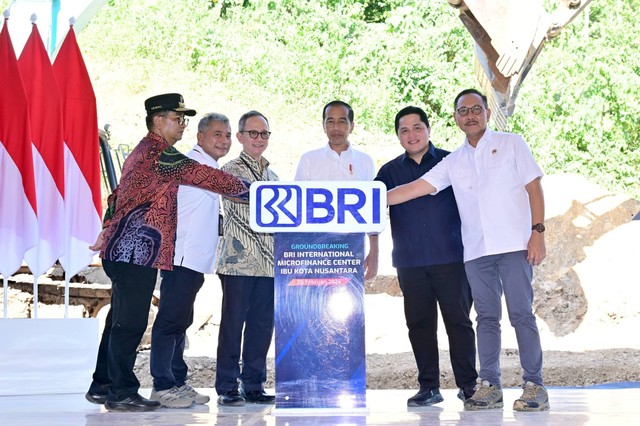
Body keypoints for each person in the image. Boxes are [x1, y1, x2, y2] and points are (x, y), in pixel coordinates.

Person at [84, 94, 249, 412]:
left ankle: (103, 384)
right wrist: (258, 192)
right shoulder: (162, 155)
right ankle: (121, 392)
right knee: (129, 325)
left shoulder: (143, 151)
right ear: (158, 120)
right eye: (178, 118)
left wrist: (108, 227)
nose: (183, 124)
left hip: (127, 250)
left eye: (184, 119)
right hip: (134, 252)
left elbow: (116, 195)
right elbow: (210, 177)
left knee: (119, 322)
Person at [386, 89, 548, 412]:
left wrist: (538, 233)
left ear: (487, 112)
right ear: (456, 118)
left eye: (476, 109)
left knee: (521, 315)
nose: (470, 115)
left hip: (515, 245)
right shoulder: (453, 162)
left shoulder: (512, 143)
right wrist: (362, 199)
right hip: (475, 253)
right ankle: (490, 386)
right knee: (486, 319)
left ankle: (535, 384)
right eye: (463, 111)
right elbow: (415, 188)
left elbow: (534, 187)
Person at [375, 106, 478, 407]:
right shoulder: (388, 172)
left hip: (451, 258)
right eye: (404, 130)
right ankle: (428, 387)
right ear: (398, 136)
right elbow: (367, 207)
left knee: (458, 323)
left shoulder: (453, 161)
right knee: (419, 325)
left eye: (417, 127)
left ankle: (469, 385)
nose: (412, 134)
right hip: (410, 262)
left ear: (429, 130)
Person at [148, 113, 232, 408]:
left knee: (182, 320)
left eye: (227, 135)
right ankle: (162, 384)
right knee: (170, 320)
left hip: (196, 261)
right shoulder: (192, 167)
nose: (224, 141)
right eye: (217, 135)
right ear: (200, 138)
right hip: (181, 258)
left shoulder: (208, 166)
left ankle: (178, 380)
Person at [215, 110, 279, 406]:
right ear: (240, 137)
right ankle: (227, 386)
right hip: (237, 263)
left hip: (268, 264)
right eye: (252, 133)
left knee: (261, 326)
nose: (259, 138)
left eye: (264, 133)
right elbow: (244, 194)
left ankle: (253, 385)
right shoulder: (228, 170)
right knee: (232, 324)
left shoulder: (273, 175)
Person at [294, 100, 378, 279]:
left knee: (349, 302)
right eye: (330, 121)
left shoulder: (365, 162)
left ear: (352, 126)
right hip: (314, 248)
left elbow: (373, 211)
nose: (336, 127)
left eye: (342, 121)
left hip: (353, 247)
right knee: (313, 302)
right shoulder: (309, 160)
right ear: (323, 126)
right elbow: (298, 207)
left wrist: (374, 252)